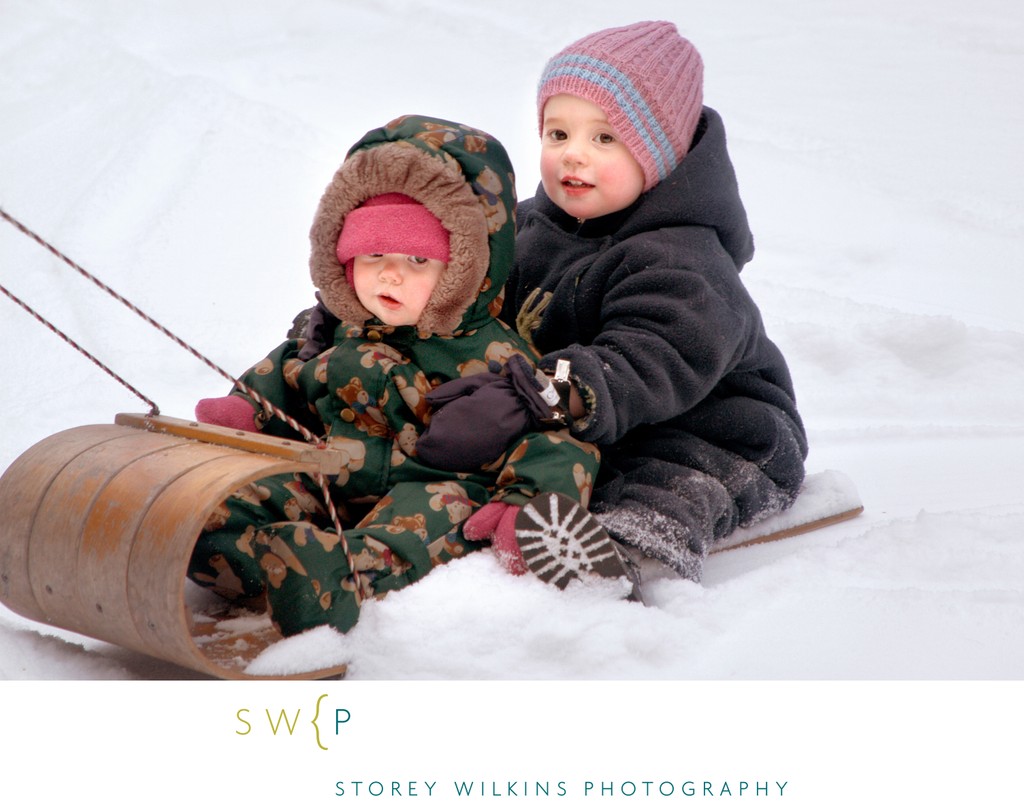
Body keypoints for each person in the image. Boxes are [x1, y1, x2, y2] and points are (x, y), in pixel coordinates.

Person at [187, 114, 615, 638]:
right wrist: (250, 409)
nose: (391, 274)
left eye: (417, 258)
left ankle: (340, 580)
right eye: (373, 255)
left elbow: (557, 440)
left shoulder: (492, 353)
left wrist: (526, 502)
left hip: (434, 486)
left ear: (463, 268)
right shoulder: (332, 330)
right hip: (332, 478)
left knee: (427, 519)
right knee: (223, 505)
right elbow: (286, 373)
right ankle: (266, 560)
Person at [416, 21, 809, 583]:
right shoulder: (529, 227)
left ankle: (624, 555)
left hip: (713, 426)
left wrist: (544, 394)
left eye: (604, 138)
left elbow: (647, 358)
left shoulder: (683, 260)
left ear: (659, 153)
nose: (573, 156)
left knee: (668, 479)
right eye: (558, 135)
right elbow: (467, 292)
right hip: (569, 413)